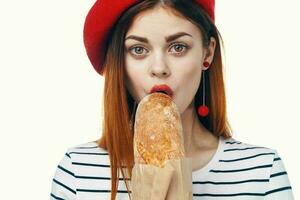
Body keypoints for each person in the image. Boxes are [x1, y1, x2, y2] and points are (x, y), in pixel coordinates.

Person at [50, 0, 294, 199]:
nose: (159, 68)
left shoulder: (262, 173)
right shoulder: (78, 170)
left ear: (207, 53)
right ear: (120, 64)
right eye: (138, 50)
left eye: (178, 47)